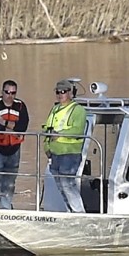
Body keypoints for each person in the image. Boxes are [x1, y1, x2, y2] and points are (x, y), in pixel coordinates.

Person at [41, 78, 87, 212]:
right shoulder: (55, 109)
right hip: (55, 155)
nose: (60, 94)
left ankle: (79, 213)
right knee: (61, 186)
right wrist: (46, 147)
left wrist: (59, 134)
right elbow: (47, 129)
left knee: (68, 185)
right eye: (58, 92)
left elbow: (78, 130)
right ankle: (71, 211)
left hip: (70, 154)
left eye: (64, 91)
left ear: (70, 93)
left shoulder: (78, 110)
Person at [0, 79, 29, 209]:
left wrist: (6, 124)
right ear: (2, 92)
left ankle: (6, 207)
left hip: (14, 149)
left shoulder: (20, 106)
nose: (10, 96)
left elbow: (23, 126)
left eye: (13, 93)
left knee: (10, 182)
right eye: (7, 92)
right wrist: (11, 128)